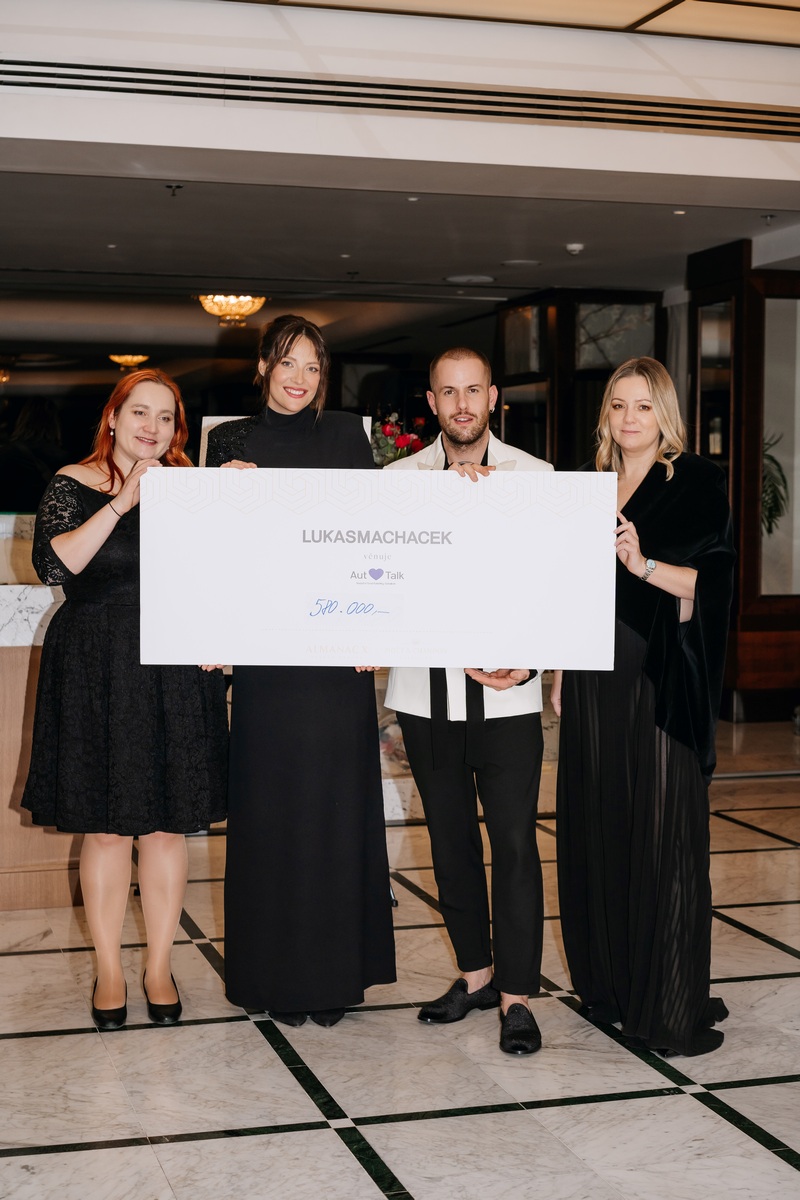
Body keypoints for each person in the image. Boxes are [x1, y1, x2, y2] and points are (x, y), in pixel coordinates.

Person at [21, 369, 228, 1030]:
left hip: (174, 664)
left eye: (166, 417)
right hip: (95, 661)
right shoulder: (71, 482)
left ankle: (159, 966)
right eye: (140, 412)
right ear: (113, 417)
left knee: (166, 826)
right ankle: (109, 969)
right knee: (107, 827)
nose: (152, 427)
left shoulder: (190, 488)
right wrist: (124, 499)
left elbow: (221, 575)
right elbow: (55, 567)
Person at [206, 314, 396, 1027]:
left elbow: (373, 537)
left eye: (313, 367)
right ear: (262, 366)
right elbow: (213, 551)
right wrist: (221, 495)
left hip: (335, 653)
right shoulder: (229, 442)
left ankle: (333, 977)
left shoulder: (346, 435)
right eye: (288, 362)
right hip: (266, 659)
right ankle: (274, 977)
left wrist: (375, 624)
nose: (299, 378)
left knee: (335, 809)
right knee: (270, 810)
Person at [552, 356, 735, 1057]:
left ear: (665, 413)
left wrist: (643, 565)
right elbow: (566, 585)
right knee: (602, 824)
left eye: (643, 405)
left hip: (659, 677)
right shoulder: (588, 484)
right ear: (606, 414)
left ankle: (669, 1002)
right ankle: (615, 987)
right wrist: (561, 666)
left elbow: (713, 586)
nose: (630, 418)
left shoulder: (695, 480)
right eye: (618, 405)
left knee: (665, 835)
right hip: (593, 674)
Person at [384, 347, 552, 1055]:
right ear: (431, 401)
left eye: (473, 391)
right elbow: (385, 581)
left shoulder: (535, 480)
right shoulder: (397, 484)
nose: (461, 404)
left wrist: (532, 658)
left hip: (509, 697)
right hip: (426, 695)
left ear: (492, 398)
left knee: (513, 844)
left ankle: (518, 996)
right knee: (449, 841)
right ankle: (477, 976)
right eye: (448, 392)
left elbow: (554, 585)